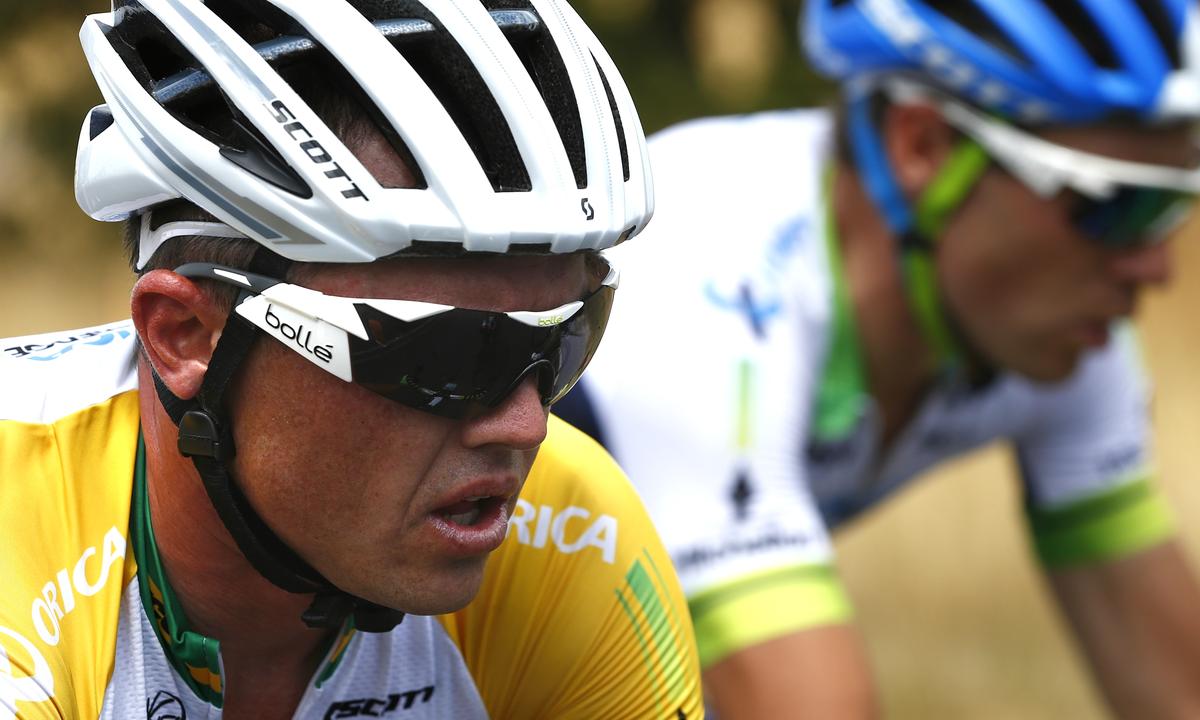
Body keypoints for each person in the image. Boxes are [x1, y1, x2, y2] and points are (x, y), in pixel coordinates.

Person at [556, 0, 1200, 717]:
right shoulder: (712, 279)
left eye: (1171, 208)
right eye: (1117, 206)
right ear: (921, 146)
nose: (1154, 268)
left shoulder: (1062, 321)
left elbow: (1198, 700)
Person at [0, 1, 702, 718]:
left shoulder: (573, 533)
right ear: (187, 334)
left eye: (560, 340)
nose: (526, 426)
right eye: (443, 355)